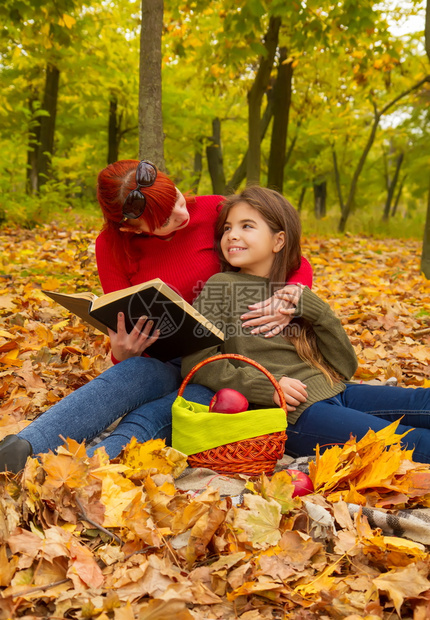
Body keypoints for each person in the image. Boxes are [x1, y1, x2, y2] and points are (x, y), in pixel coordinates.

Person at [0, 161, 313, 472]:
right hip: (163, 358)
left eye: (176, 198)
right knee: (131, 373)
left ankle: (90, 470)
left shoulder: (217, 211)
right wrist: (121, 351)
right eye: (165, 218)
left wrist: (290, 296)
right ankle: (21, 447)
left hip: (225, 362)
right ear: (130, 227)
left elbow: (295, 260)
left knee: (160, 413)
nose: (182, 214)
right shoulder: (112, 245)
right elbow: (122, 314)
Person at [181, 186, 430, 464]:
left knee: (423, 401)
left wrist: (314, 308)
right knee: (411, 441)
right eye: (227, 228)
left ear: (278, 241)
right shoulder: (220, 287)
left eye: (246, 226)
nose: (232, 235)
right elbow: (196, 361)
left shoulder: (293, 291)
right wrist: (268, 387)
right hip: (295, 413)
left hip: (338, 390)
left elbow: (345, 366)